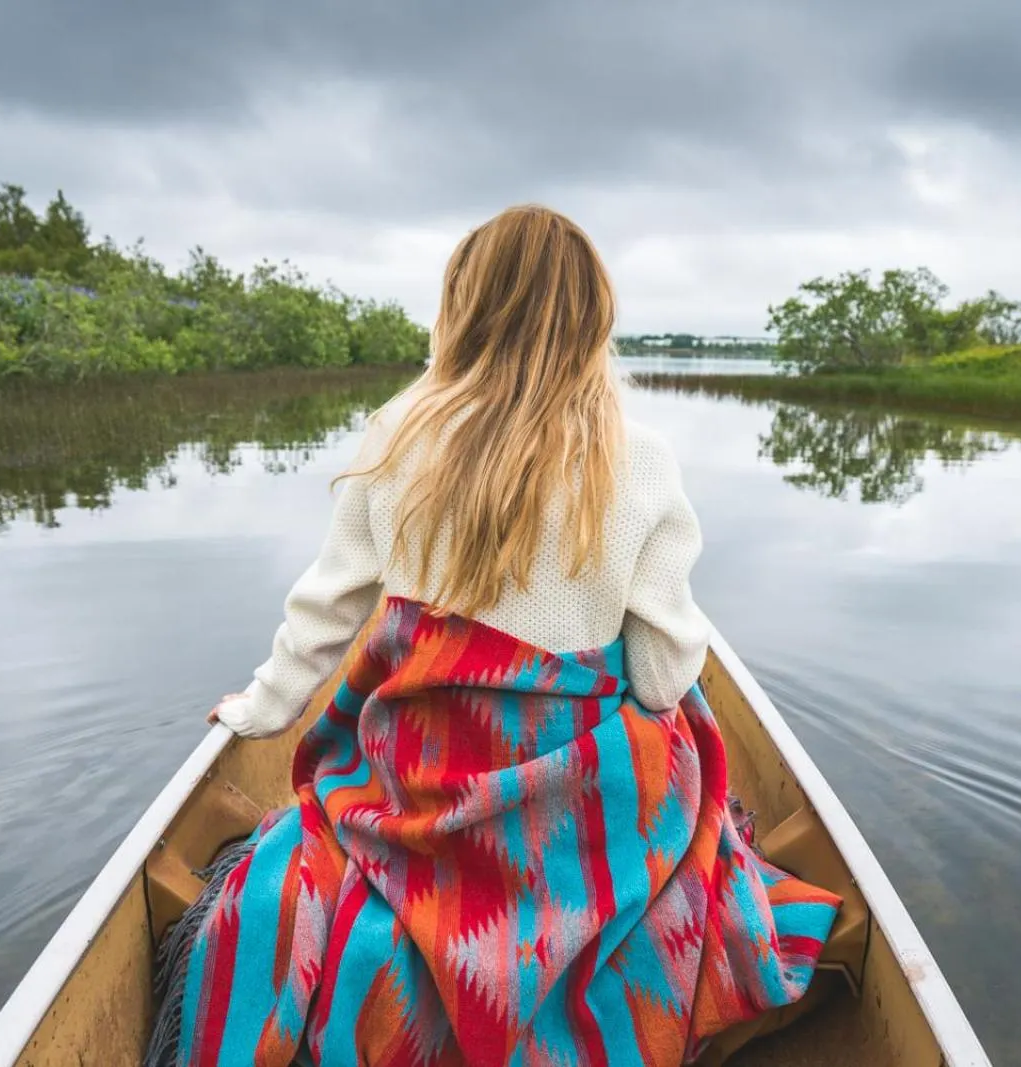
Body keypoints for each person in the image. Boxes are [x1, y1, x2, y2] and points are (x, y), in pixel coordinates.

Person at [157, 205, 839, 1067]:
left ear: (461, 308)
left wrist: (260, 709)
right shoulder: (643, 458)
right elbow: (666, 677)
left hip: (419, 793)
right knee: (687, 727)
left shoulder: (397, 433)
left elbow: (324, 612)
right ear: (594, 318)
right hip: (575, 805)